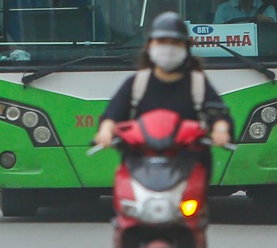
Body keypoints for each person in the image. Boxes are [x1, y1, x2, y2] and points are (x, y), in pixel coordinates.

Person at [92, 12, 233, 151]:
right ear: (149, 45)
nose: (168, 48)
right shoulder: (136, 83)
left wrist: (221, 129)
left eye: (175, 42)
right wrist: (105, 131)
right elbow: (112, 114)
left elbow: (219, 116)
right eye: (162, 41)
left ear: (186, 47)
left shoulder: (198, 83)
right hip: (140, 165)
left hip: (189, 164)